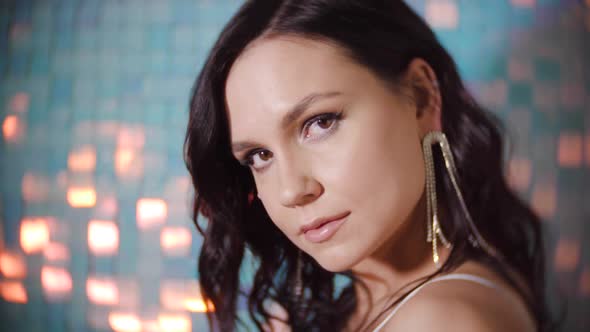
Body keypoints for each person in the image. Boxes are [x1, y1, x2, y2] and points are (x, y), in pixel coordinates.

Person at [184, 1, 553, 331]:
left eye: (320, 122)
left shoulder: (443, 320)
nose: (291, 191)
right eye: (259, 156)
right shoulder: (379, 304)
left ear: (421, 97)